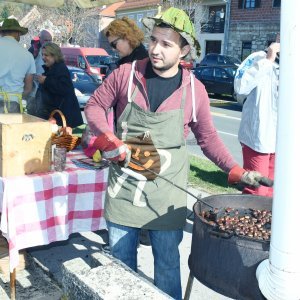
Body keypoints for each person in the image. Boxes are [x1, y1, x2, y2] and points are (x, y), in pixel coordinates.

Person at [85, 8, 269, 299]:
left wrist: (236, 170)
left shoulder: (194, 91)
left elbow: (207, 139)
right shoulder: (125, 74)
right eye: (154, 40)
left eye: (166, 44)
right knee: (121, 265)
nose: (156, 49)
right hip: (124, 189)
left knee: (168, 265)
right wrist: (107, 137)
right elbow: (94, 105)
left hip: (165, 195)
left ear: (184, 50)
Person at [234, 34, 280, 197]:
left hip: (282, 142)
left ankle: (269, 223)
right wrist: (268, 60)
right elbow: (240, 87)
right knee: (256, 190)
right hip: (258, 139)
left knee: (274, 193)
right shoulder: (258, 58)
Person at [35, 42, 83, 128]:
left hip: (63, 118)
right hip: (55, 116)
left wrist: (46, 81)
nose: (43, 58)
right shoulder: (51, 69)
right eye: (42, 55)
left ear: (55, 56)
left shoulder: (60, 69)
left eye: (46, 55)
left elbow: (64, 88)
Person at [0, 18, 36, 113]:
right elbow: (28, 88)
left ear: (2, 32)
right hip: (13, 104)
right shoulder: (28, 55)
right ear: (18, 33)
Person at [27, 29, 53, 115]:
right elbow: (27, 66)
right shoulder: (34, 49)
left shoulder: (54, 51)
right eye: (46, 40)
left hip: (46, 90)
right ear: (40, 38)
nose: (48, 42)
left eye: (50, 40)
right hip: (33, 90)